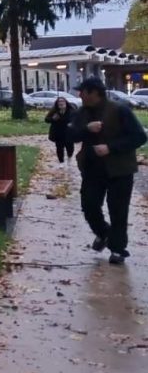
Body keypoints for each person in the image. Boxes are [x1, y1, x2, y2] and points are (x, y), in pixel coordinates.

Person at [68, 77, 148, 265]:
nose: (80, 95)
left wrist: (110, 147)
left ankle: (118, 249)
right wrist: (86, 129)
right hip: (92, 170)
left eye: (83, 91)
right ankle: (104, 233)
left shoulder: (120, 110)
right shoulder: (81, 113)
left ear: (95, 92)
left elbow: (139, 137)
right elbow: (69, 135)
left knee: (118, 211)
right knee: (89, 206)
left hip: (120, 170)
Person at [44, 96, 75, 163]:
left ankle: (69, 157)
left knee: (70, 147)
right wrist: (53, 119)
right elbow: (46, 119)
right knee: (59, 148)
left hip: (69, 133)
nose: (61, 103)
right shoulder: (54, 111)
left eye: (62, 101)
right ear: (57, 104)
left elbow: (77, 119)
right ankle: (61, 161)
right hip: (58, 133)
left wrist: (72, 123)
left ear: (66, 102)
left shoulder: (71, 110)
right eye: (59, 102)